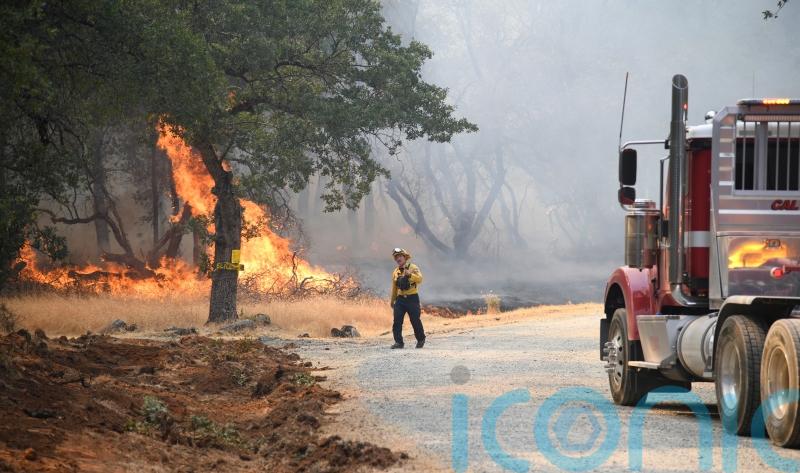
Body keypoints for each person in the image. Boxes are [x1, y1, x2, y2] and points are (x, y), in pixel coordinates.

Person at [390, 248, 426, 349]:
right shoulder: (395, 272)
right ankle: (399, 342)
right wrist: (392, 300)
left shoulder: (413, 267)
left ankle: (421, 339)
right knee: (397, 321)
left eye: (400, 256)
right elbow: (394, 287)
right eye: (396, 257)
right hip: (400, 299)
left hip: (412, 299)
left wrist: (410, 274)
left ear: (405, 257)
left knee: (415, 320)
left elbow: (420, 279)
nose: (398, 258)